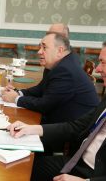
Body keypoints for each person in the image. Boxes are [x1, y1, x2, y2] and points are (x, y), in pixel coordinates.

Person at [7, 42, 106, 181]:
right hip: (77, 162)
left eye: (103, 63)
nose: (98, 69)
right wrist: (30, 129)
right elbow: (76, 126)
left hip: (93, 174)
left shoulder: (65, 69)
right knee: (20, 165)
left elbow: (45, 104)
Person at [1, 33, 99, 124]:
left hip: (71, 130)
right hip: (61, 118)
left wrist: (16, 99)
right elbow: (41, 89)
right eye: (40, 47)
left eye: (44, 47)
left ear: (60, 51)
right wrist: (18, 92)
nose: (39, 52)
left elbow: (45, 105)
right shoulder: (60, 63)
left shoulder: (65, 70)